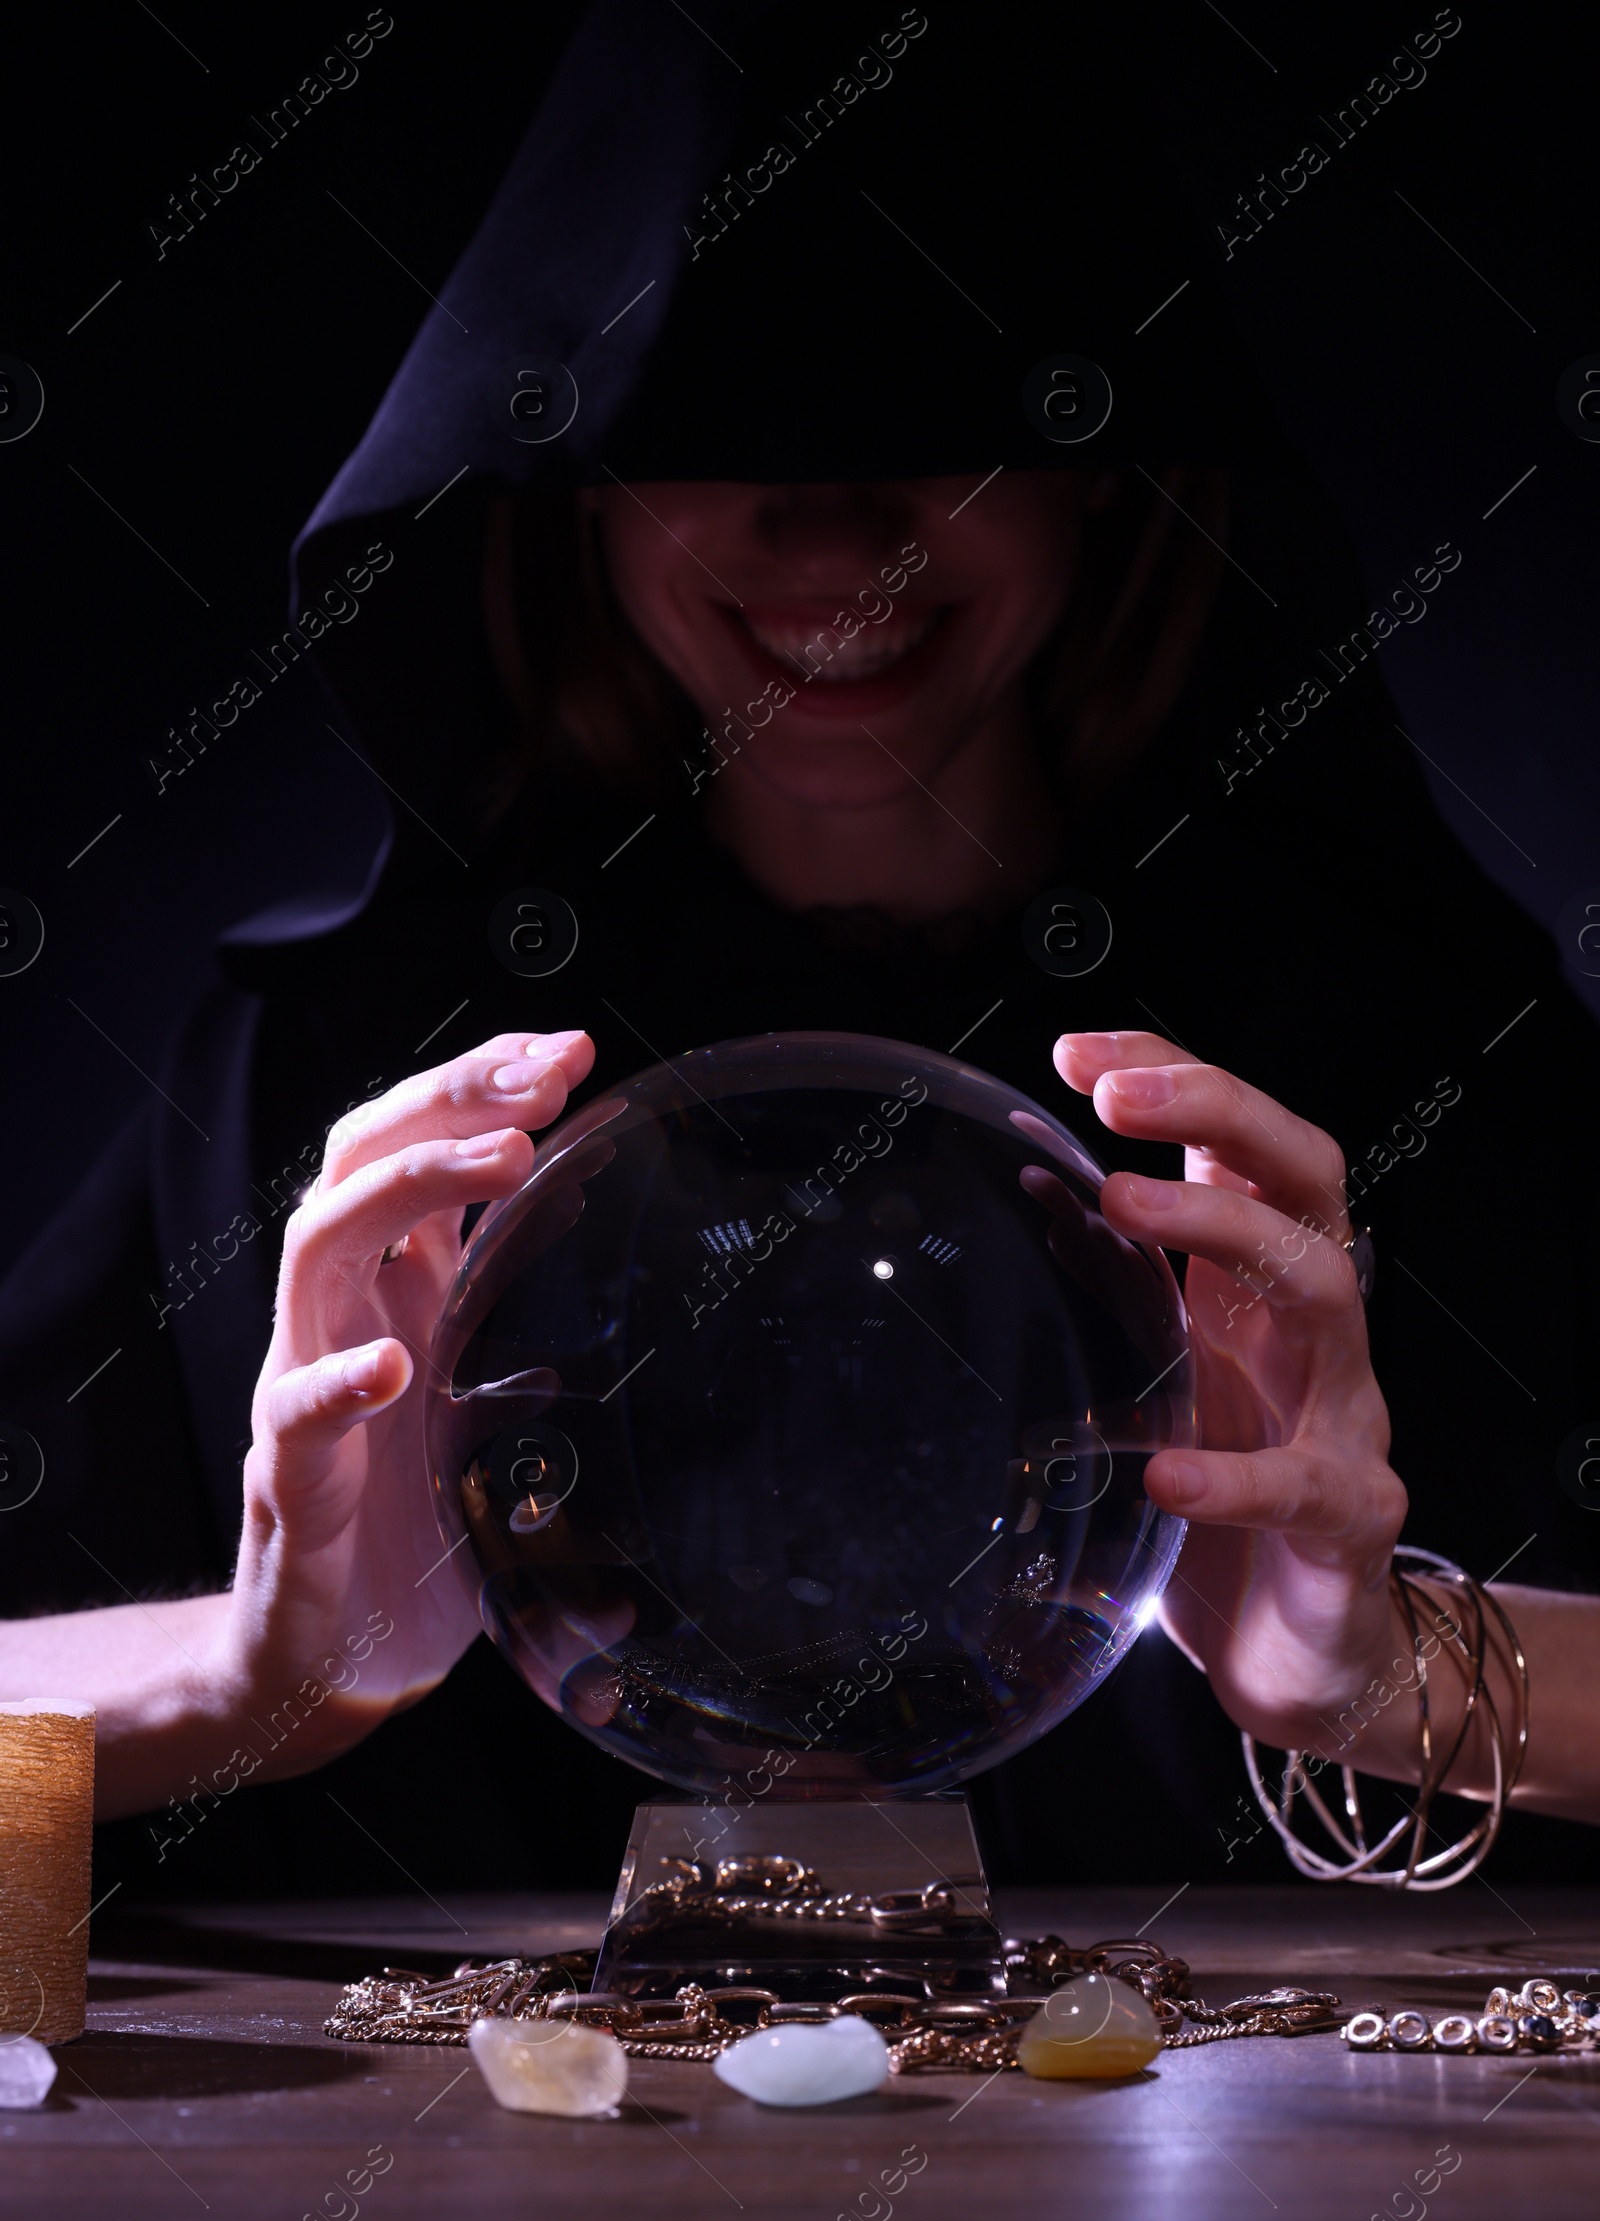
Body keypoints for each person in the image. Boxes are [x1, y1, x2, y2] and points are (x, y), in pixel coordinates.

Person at [2, 3, 1596, 1894]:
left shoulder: (1402, 1041)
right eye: (718, 434)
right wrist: (255, 1665)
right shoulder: (332, 1091)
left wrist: (1377, 1672)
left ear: (1110, 457)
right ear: (557, 467)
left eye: (943, 433)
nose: (834, 534)